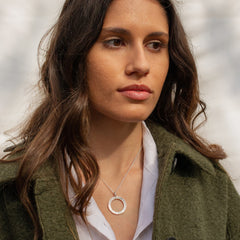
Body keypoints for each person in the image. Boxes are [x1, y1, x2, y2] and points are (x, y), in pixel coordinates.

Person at [0, 0, 239, 239]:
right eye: (116, 42)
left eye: (155, 45)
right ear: (75, 53)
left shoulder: (207, 184)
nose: (141, 65)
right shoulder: (11, 190)